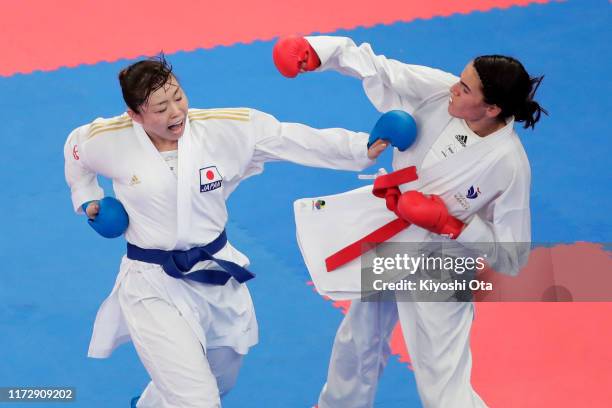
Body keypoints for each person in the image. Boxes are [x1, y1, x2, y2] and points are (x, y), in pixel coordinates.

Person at [63, 54, 388, 408]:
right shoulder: (108, 139)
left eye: (178, 97)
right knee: (196, 399)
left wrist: (358, 148)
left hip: (215, 271)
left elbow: (286, 138)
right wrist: (89, 200)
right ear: (135, 116)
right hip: (151, 283)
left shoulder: (221, 129)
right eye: (160, 108)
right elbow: (75, 151)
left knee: (219, 380)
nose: (175, 112)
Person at [274, 36, 546, 407]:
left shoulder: (509, 165)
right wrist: (318, 51)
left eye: (465, 88)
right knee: (357, 341)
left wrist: (453, 225)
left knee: (440, 382)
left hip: (442, 265)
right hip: (391, 242)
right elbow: (380, 68)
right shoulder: (440, 93)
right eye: (459, 78)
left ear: (492, 108)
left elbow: (512, 256)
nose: (453, 87)